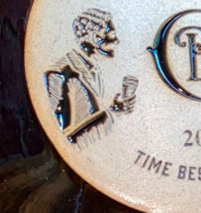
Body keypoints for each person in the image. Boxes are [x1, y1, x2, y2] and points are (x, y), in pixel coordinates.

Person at [44, 8, 137, 146]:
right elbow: (62, 141)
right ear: (93, 38)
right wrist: (113, 114)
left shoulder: (94, 70)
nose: (117, 41)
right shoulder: (60, 74)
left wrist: (117, 107)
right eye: (111, 35)